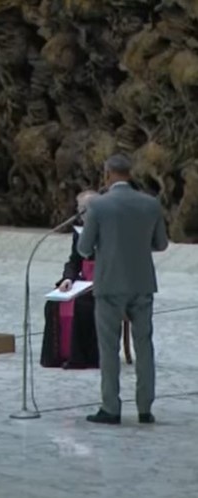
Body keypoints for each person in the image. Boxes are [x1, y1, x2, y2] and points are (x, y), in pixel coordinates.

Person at [78, 153, 168, 424]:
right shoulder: (151, 204)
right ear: (130, 174)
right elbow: (161, 244)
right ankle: (145, 408)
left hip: (109, 283)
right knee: (144, 345)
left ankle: (111, 407)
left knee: (108, 348)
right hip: (142, 283)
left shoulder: (99, 206)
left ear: (107, 175)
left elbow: (84, 248)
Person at [40, 190, 101, 369]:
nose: (80, 213)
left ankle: (81, 357)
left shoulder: (110, 230)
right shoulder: (79, 232)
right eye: (79, 208)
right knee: (54, 302)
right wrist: (68, 279)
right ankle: (55, 356)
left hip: (103, 281)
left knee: (82, 304)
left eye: (84, 209)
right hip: (82, 281)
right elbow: (74, 261)